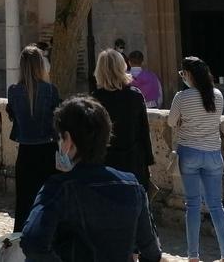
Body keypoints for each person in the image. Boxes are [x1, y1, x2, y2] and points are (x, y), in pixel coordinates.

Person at [20, 96, 161, 262]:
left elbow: (32, 242)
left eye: (60, 138)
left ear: (68, 140)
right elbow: (152, 252)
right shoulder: (132, 186)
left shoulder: (58, 189)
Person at [167, 57, 224, 262]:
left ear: (188, 75)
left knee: (193, 205)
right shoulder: (218, 95)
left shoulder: (182, 97)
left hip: (190, 152)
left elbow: (170, 121)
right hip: (213, 153)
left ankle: (193, 255)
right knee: (216, 205)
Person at [6, 46, 61, 233]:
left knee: (24, 203)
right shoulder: (50, 90)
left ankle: (21, 243)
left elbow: (12, 115)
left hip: (26, 151)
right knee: (49, 200)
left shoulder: (13, 91)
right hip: (47, 150)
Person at [90, 49, 154, 189]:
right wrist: (148, 162)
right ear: (122, 68)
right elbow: (144, 131)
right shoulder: (135, 96)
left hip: (105, 165)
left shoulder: (94, 100)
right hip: (133, 163)